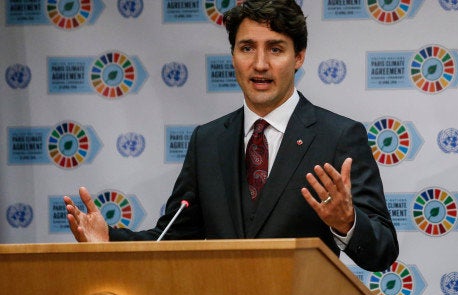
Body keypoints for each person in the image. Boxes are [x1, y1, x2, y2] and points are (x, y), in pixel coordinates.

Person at [64, 0, 398, 272]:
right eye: (247, 48)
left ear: (299, 57)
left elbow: (383, 250)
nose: (260, 64)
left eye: (276, 49)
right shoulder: (208, 141)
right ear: (233, 57)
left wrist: (347, 222)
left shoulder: (338, 136)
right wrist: (109, 239)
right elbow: (173, 236)